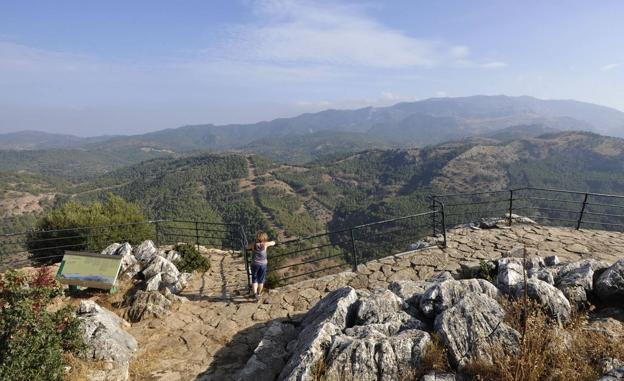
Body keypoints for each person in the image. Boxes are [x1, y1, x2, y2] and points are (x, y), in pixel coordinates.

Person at [248, 231, 275, 300]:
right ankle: (259, 294)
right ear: (264, 238)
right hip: (263, 265)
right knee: (261, 280)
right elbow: (273, 243)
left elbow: (246, 247)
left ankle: (254, 294)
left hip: (254, 264)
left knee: (254, 279)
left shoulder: (253, 245)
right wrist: (272, 241)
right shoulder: (265, 244)